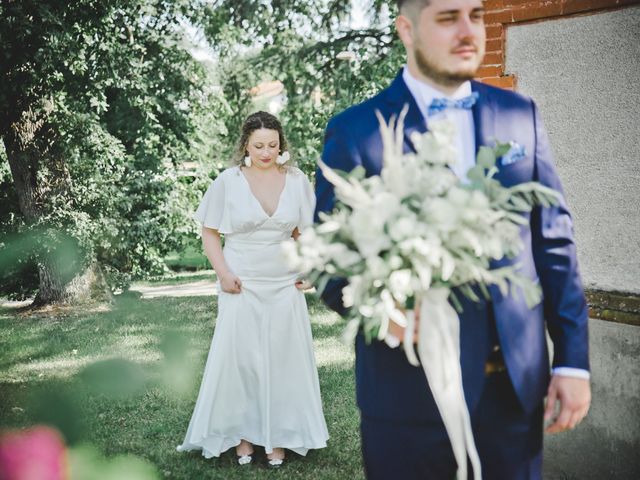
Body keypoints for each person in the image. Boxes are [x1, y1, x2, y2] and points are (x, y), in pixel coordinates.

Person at [315, 1, 591, 478]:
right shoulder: (356, 131)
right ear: (407, 29)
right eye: (447, 18)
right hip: (405, 394)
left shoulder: (519, 114)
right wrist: (389, 318)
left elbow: (553, 244)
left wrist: (573, 362)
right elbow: (327, 263)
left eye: (477, 16)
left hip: (513, 392)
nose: (468, 31)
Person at [177, 111, 329, 468]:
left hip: (283, 284)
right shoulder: (228, 181)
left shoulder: (296, 180)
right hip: (241, 284)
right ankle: (244, 436)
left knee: (282, 361)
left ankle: (277, 437)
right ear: (245, 144)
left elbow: (304, 233)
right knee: (243, 362)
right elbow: (210, 232)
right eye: (259, 145)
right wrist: (223, 272)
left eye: (273, 145)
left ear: (281, 145)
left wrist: (311, 268)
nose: (266, 152)